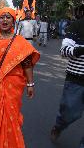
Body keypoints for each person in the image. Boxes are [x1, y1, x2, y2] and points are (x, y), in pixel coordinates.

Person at [0, 0, 40, 148]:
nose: (5, 20)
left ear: (13, 21)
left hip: (13, 86)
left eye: (8, 17)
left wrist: (30, 84)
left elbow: (27, 63)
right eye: (1, 17)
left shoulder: (20, 42)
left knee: (9, 115)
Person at [50, 18, 84, 148]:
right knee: (70, 113)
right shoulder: (77, 25)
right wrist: (81, 49)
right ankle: (59, 126)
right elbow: (64, 51)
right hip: (77, 79)